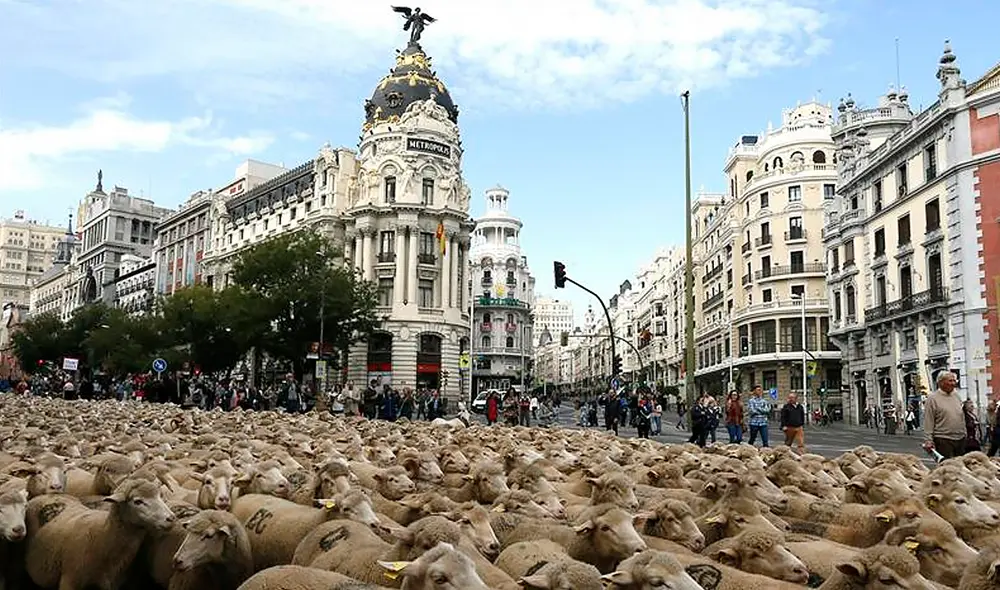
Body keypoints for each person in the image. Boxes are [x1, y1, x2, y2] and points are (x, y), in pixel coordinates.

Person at [923, 371, 966, 459]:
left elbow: (961, 416)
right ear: (941, 382)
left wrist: (965, 432)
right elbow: (929, 421)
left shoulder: (956, 396)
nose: (953, 384)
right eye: (950, 381)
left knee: (961, 467)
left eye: (954, 381)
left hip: (960, 438)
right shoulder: (932, 399)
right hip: (943, 438)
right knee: (947, 468)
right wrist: (928, 440)